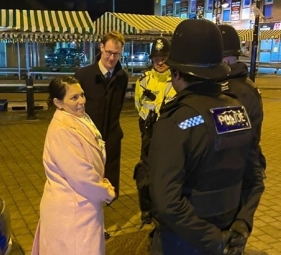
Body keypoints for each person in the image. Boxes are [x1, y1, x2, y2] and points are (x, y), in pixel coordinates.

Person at [148, 19, 265, 255]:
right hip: (230, 236)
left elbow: (166, 201)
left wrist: (215, 239)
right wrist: (242, 225)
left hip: (184, 243)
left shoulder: (177, 120)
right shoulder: (237, 110)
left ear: (176, 72)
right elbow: (255, 179)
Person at [31, 76, 116, 255]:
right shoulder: (62, 130)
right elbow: (81, 174)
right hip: (73, 211)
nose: (81, 101)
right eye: (74, 98)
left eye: (82, 95)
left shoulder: (77, 118)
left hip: (80, 204)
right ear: (58, 102)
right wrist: (105, 191)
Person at [74, 31, 128, 198]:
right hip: (88, 138)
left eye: (116, 54)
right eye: (108, 52)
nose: (111, 58)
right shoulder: (83, 75)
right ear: (102, 47)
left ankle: (108, 206)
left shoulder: (122, 77)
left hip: (111, 137)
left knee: (110, 185)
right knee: (88, 181)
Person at [133, 37, 176, 228]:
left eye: (164, 57)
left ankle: (166, 211)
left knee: (169, 174)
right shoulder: (143, 81)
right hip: (148, 133)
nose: (160, 61)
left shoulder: (177, 79)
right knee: (145, 173)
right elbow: (139, 106)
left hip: (170, 135)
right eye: (156, 57)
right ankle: (147, 212)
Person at [218, 24, 266, 171]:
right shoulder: (246, 84)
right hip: (248, 164)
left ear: (223, 60)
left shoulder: (230, 91)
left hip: (234, 171)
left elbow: (228, 142)